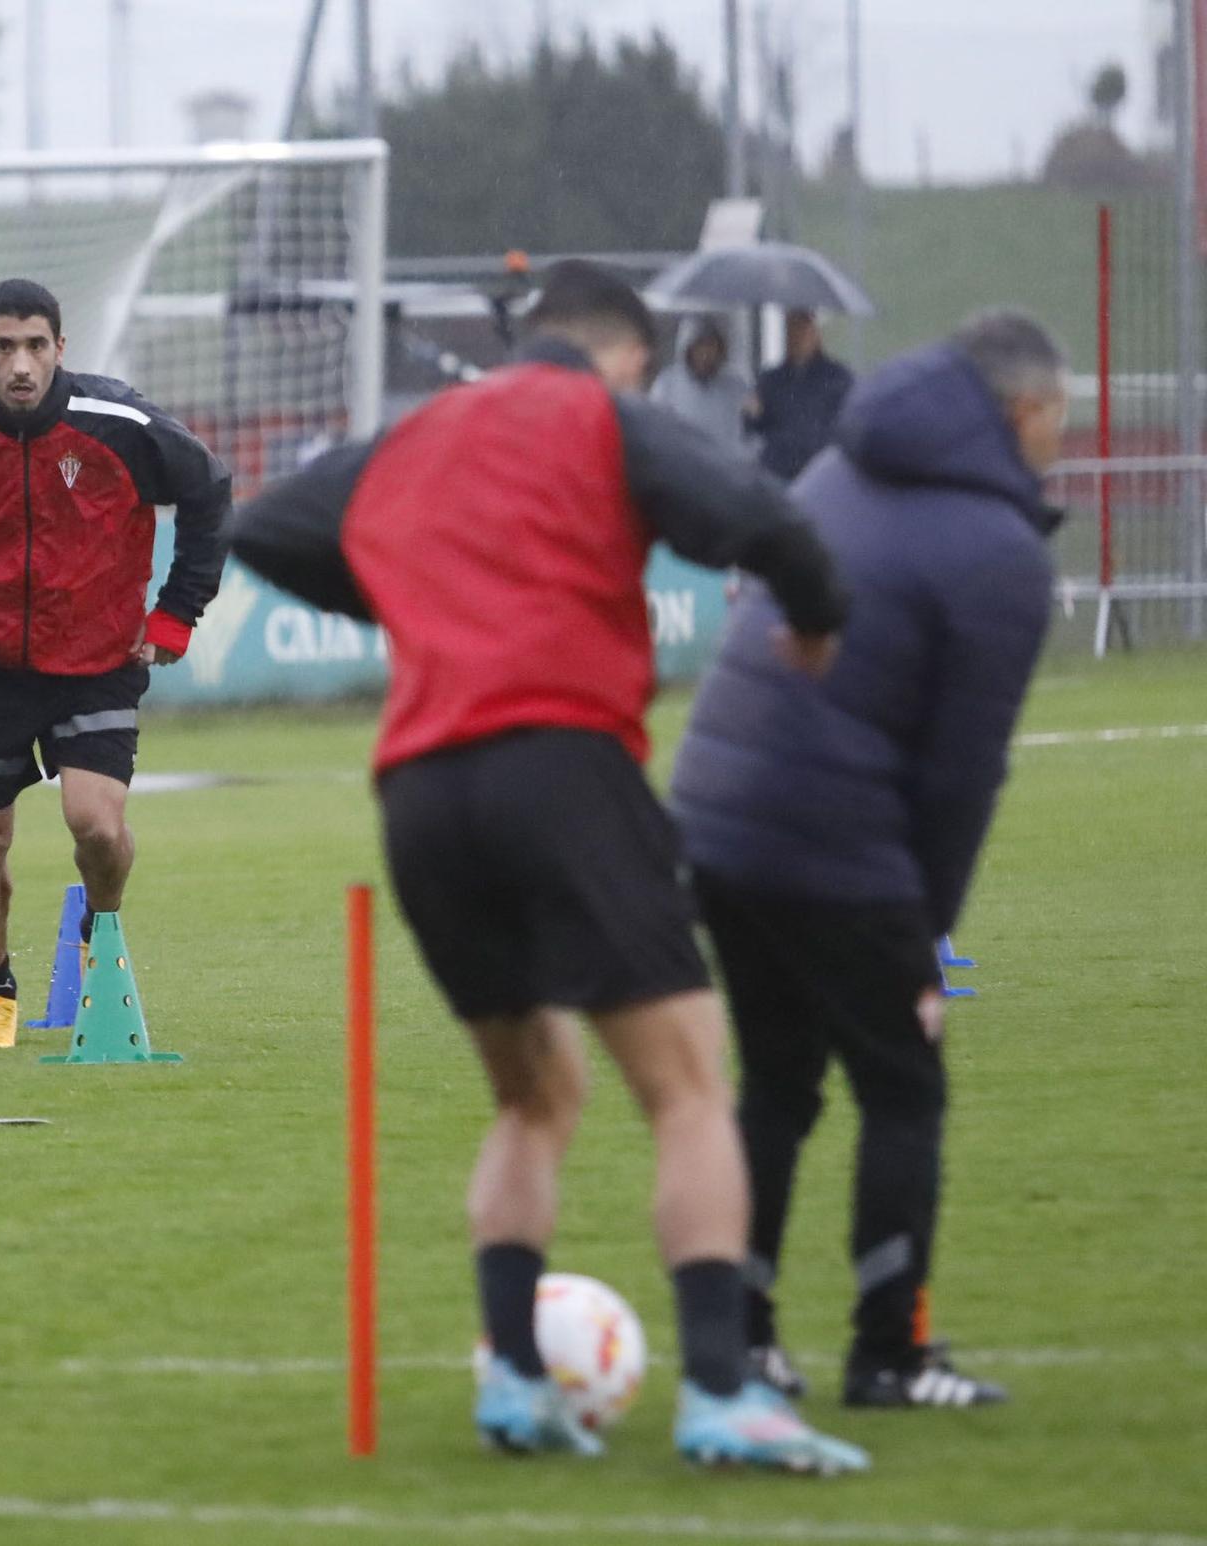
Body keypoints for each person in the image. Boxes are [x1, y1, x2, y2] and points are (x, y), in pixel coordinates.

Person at [230, 261, 867, 1474]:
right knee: (684, 1087)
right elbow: (769, 521)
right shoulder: (600, 414)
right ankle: (723, 1395)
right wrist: (817, 613)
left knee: (532, 1097)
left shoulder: (414, 436)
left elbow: (262, 525)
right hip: (557, 764)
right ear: (627, 353)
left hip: (420, 793)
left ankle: (515, 1382)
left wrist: (427, 598)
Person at [671, 310, 1068, 1410]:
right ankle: (887, 1354)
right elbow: (958, 778)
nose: (1061, 443)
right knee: (902, 1086)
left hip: (714, 819)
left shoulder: (841, 468)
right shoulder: (998, 552)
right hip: (826, 837)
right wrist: (925, 948)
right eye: (1059, 420)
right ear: (1022, 413)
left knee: (778, 1084)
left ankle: (744, 1342)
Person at [0, 278, 230, 1050]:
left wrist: (175, 613)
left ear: (62, 348)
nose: (22, 365)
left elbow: (209, 491)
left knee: (96, 827)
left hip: (95, 659)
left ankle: (101, 937)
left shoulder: (121, 425)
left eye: (37, 346)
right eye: (4, 348)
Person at [747, 307, 854, 482]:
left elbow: (846, 422)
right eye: (791, 331)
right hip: (778, 472)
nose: (797, 338)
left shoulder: (837, 378)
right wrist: (752, 414)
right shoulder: (771, 379)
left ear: (816, 334)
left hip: (818, 472)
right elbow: (756, 427)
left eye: (803, 330)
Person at [651, 315, 752, 453]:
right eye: (700, 346)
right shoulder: (667, 384)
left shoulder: (735, 386)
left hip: (726, 466)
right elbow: (657, 431)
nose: (705, 353)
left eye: (711, 346)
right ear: (688, 349)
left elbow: (749, 432)